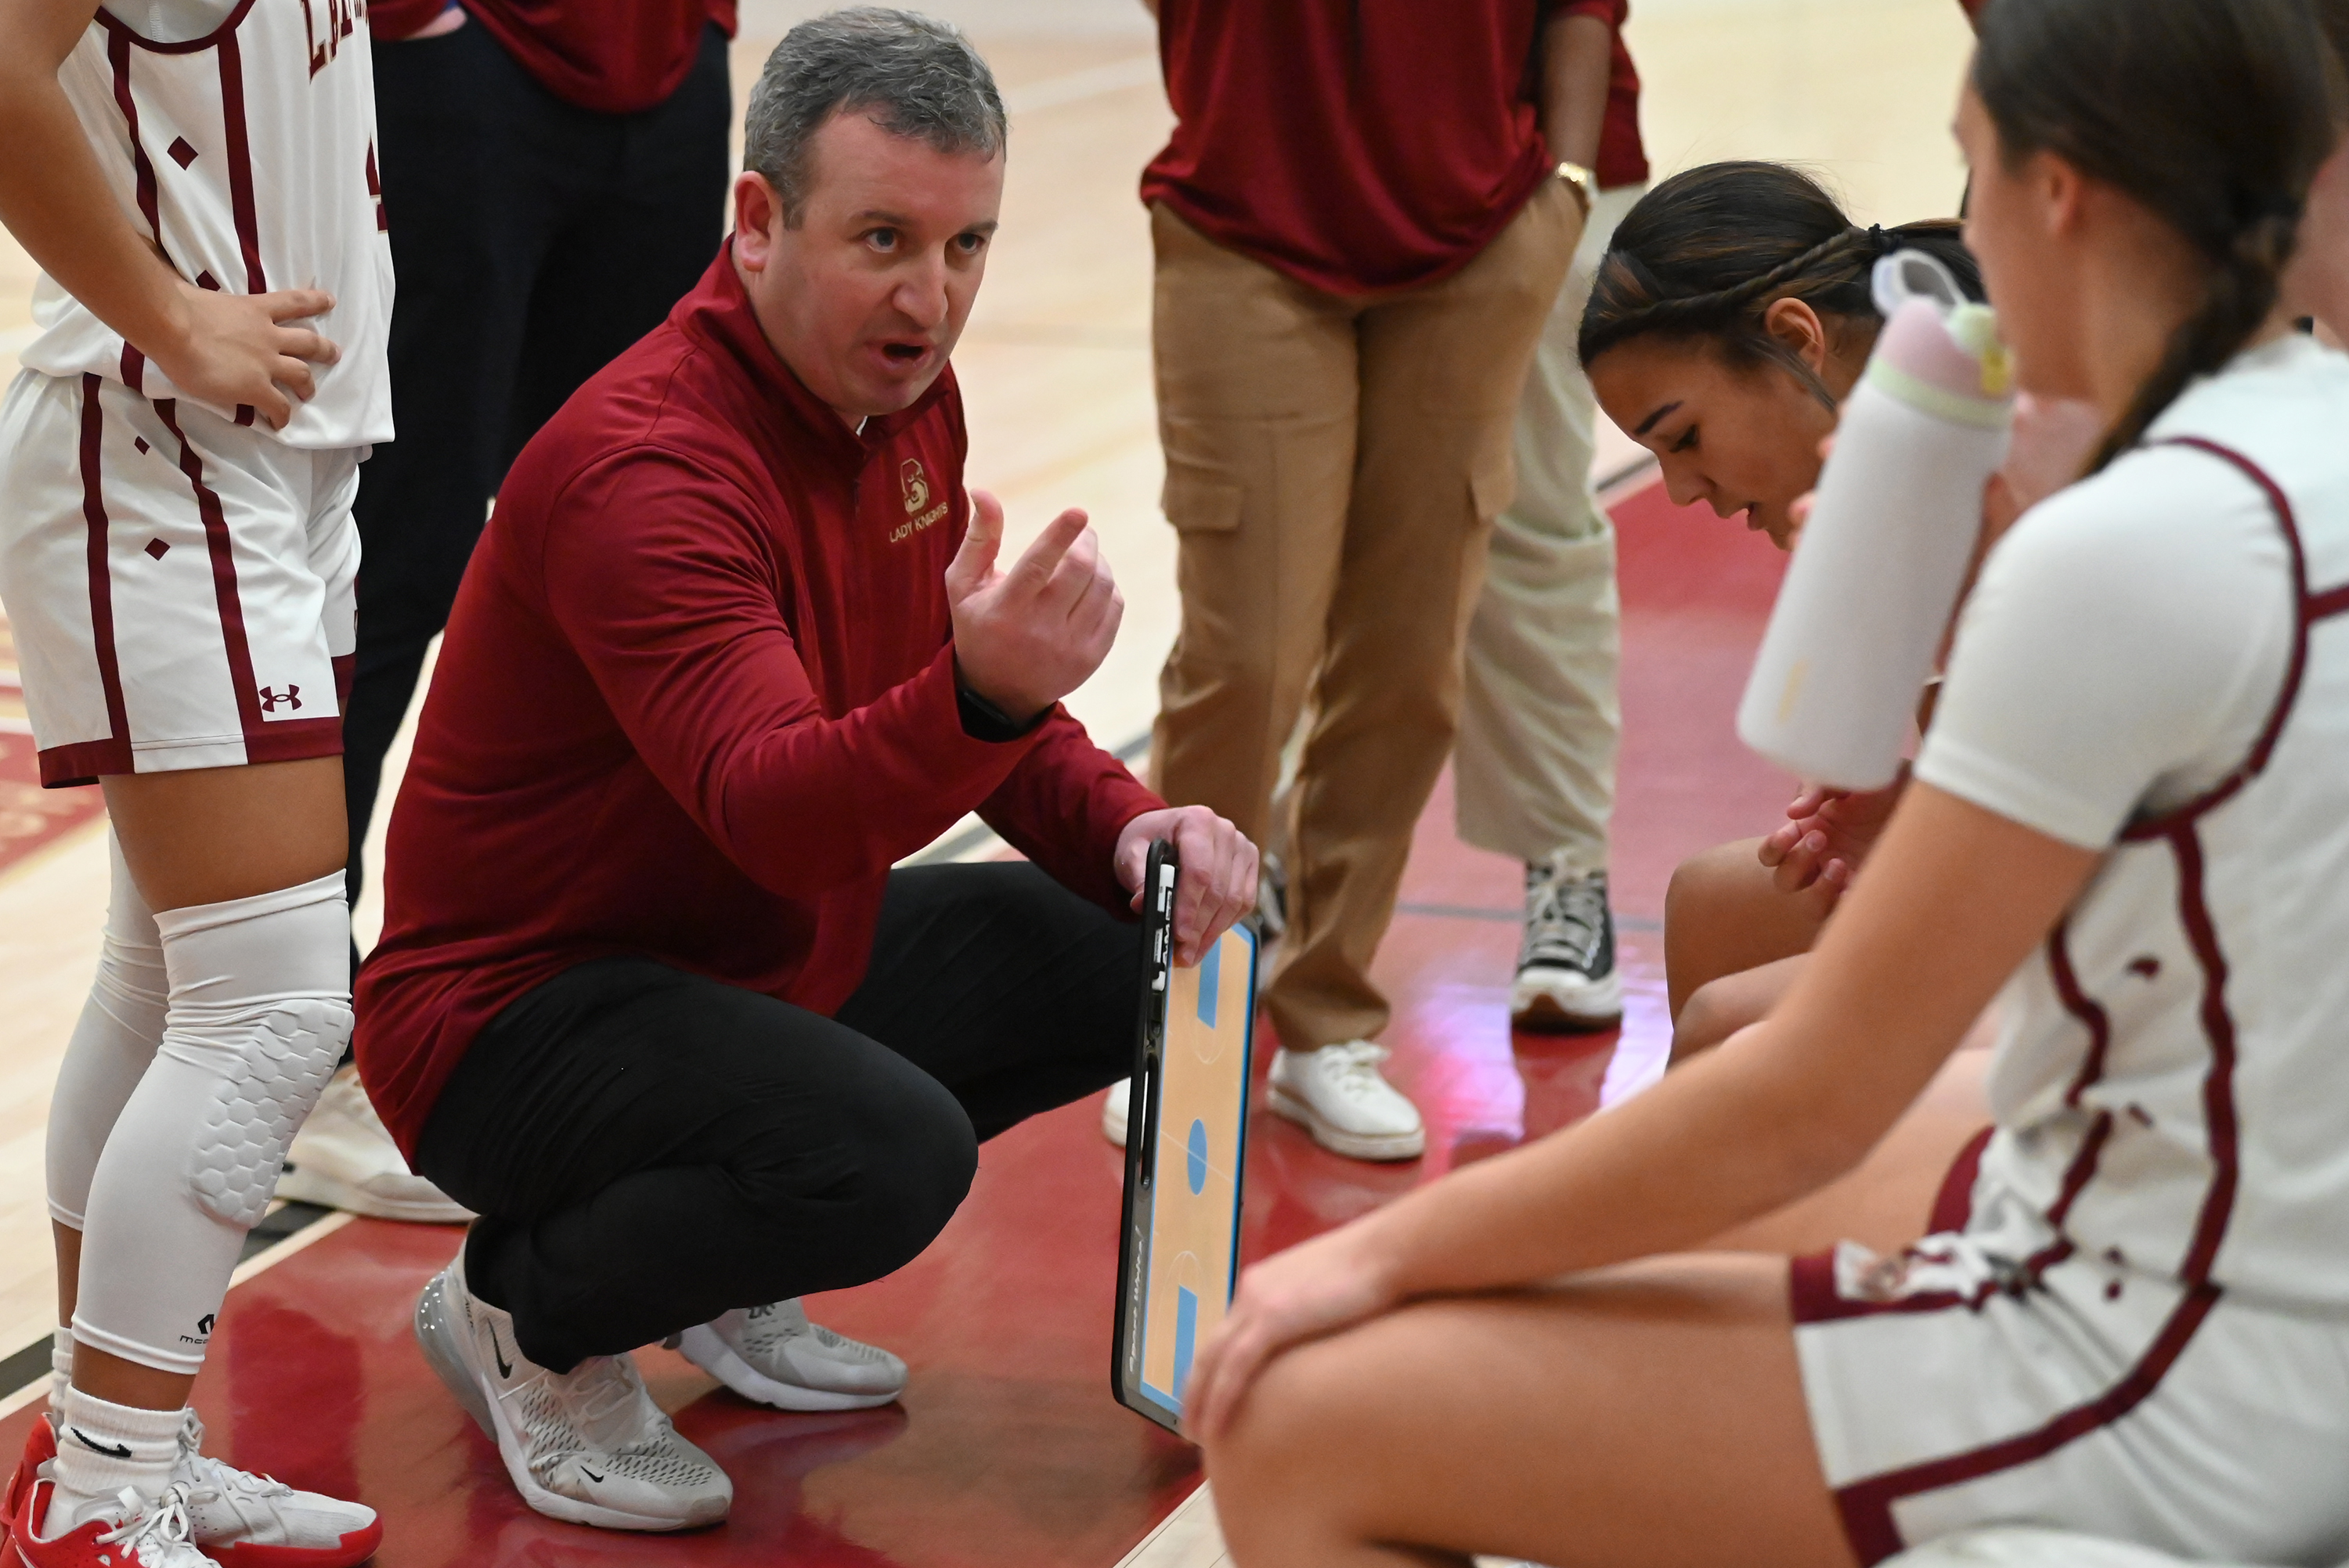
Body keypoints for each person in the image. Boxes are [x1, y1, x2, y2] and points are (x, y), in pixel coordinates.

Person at [1185, 2, 2349, 1564]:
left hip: (2162, 1367)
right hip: (2256, 1277)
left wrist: (1372, 1261)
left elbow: (1812, 1103)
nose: (1951, 237)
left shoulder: (2116, 542)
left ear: (2058, 192)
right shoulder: (2306, 431)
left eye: (1973, 171)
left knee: (1300, 1411)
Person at [352, 9, 1255, 1532]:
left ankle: (721, 1271)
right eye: (885, 238)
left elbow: (948, 716)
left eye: (967, 247)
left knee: (1130, 941)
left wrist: (1129, 826)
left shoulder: (899, 400)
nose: (932, 299)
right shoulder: (651, 470)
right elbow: (776, 808)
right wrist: (980, 688)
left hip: (738, 963)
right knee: (887, 1158)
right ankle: (525, 1317)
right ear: (758, 221)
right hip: (511, 1016)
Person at [0, 0, 395, 1562]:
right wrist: (172, 314)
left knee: (176, 984)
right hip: (157, 439)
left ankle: (117, 1446)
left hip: (286, 457)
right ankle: (102, 1497)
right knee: (276, 1008)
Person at [274, 0, 741, 1227]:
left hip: (668, 67)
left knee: (634, 557)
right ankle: (307, 1050)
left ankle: (553, 1006)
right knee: (401, 559)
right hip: (465, 75)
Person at [1137, 0, 1590, 1163]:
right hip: (1241, 225)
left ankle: (1330, 1020)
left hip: (1480, 238)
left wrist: (1569, 188)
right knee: (1248, 659)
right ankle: (1177, 1018)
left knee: (1411, 661)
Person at [1454, 0, 1651, 1034]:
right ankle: (1271, 871)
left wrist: (1566, 189)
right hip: (1317, 183)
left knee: (1531, 522)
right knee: (1305, 542)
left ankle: (1568, 876)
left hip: (1543, 159)